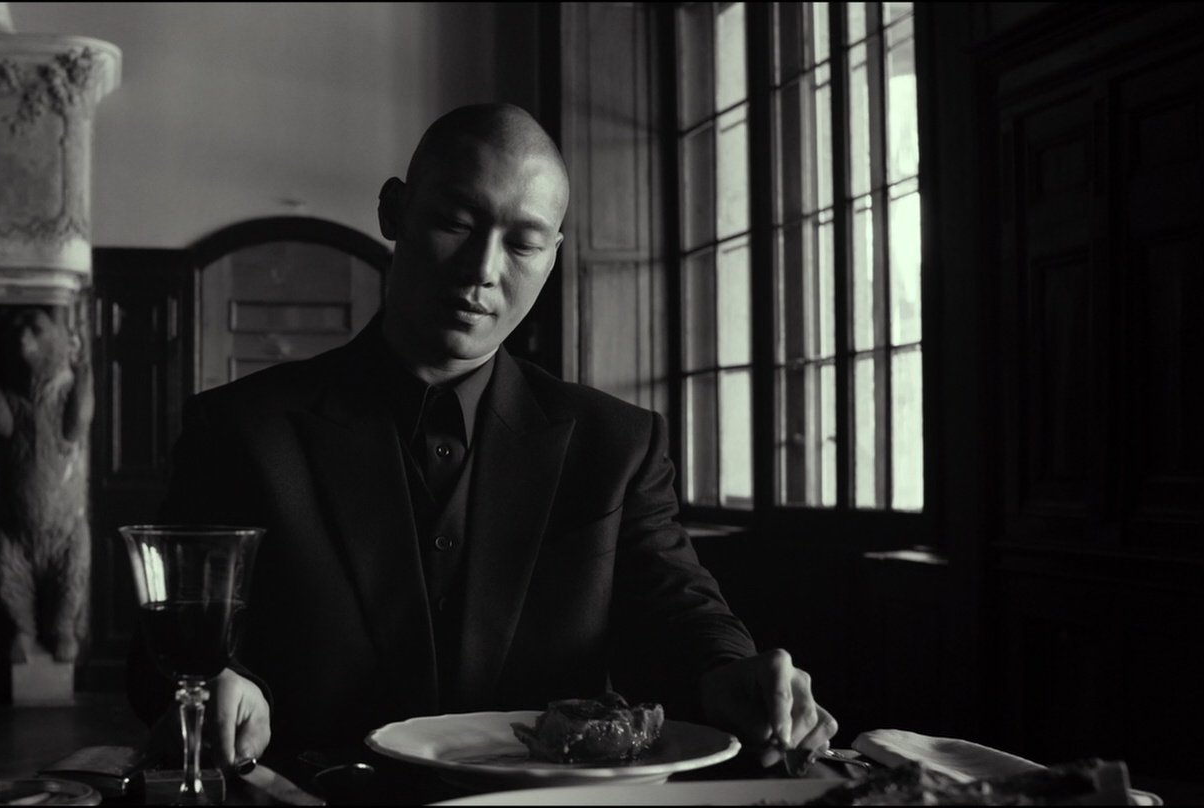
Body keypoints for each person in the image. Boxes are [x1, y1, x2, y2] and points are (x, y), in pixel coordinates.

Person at [129, 103, 835, 782]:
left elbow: (679, 611)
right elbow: (161, 651)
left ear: (552, 255)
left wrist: (730, 670)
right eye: (455, 223)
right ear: (394, 211)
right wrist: (220, 684)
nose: (482, 270)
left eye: (523, 243)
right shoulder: (241, 430)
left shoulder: (615, 445)